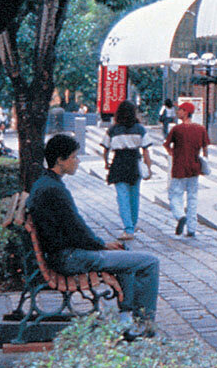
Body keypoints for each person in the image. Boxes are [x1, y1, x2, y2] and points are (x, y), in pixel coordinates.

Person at [27, 134, 159, 340]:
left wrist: (102, 245)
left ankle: (127, 319)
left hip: (62, 254)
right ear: (60, 160)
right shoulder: (54, 190)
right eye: (73, 157)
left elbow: (74, 229)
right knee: (149, 262)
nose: (77, 161)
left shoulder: (46, 183)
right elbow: (77, 230)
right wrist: (102, 245)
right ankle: (144, 324)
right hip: (70, 258)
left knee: (124, 255)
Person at [102, 101, 153, 241]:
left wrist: (106, 163)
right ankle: (133, 224)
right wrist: (149, 168)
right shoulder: (140, 129)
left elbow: (105, 148)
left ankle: (128, 228)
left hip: (118, 162)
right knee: (134, 195)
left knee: (122, 197)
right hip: (134, 162)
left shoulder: (113, 130)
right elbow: (146, 151)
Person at [164, 102, 208, 238]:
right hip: (194, 167)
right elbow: (205, 149)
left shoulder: (177, 129)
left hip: (179, 167)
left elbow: (167, 145)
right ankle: (192, 228)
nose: (178, 112)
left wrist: (172, 152)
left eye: (180, 110)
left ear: (186, 112)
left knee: (174, 195)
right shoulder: (201, 129)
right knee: (192, 197)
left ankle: (180, 215)